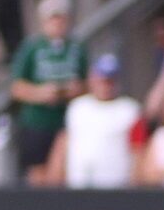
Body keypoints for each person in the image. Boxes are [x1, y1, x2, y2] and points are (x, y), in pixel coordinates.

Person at [8, 0, 86, 185]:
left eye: (61, 18)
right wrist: (41, 93)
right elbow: (16, 87)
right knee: (38, 172)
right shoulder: (32, 48)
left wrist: (73, 90)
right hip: (37, 121)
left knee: (62, 172)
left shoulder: (76, 48)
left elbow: (88, 83)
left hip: (67, 121)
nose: (57, 23)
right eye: (53, 18)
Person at [51, 55, 140, 190]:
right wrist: (54, 178)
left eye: (110, 81)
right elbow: (63, 143)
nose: (105, 85)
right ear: (92, 78)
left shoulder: (130, 110)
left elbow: (138, 149)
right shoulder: (77, 107)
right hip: (78, 185)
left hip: (116, 185)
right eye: (102, 80)